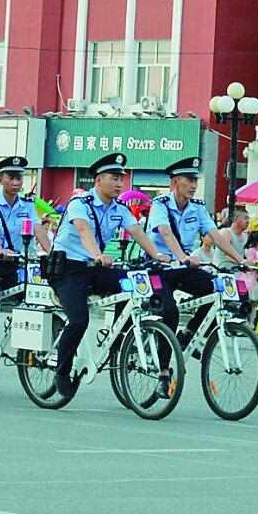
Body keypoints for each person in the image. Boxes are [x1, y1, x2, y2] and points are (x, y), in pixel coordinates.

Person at [51, 152, 170, 400]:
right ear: (98, 180)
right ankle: (62, 372)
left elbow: (137, 231)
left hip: (95, 269)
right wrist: (97, 254)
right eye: (114, 178)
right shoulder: (79, 204)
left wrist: (157, 255)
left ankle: (119, 340)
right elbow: (83, 230)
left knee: (131, 285)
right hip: (68, 269)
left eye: (121, 179)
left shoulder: (119, 209)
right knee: (79, 320)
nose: (119, 183)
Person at [146, 157, 246, 347]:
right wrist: (183, 257)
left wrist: (241, 260)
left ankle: (189, 333)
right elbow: (166, 233)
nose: (193, 186)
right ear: (175, 182)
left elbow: (216, 236)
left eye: (195, 181)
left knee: (218, 291)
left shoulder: (197, 207)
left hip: (183, 268)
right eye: (189, 180)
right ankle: (163, 363)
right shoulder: (160, 204)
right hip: (159, 268)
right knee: (170, 312)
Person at [0, 155, 54, 342]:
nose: (15, 182)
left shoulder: (27, 205)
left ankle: (25, 345)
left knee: (33, 296)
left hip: (11, 266)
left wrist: (53, 254)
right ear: (0, 179)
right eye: (11, 177)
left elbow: (38, 229)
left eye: (19, 178)